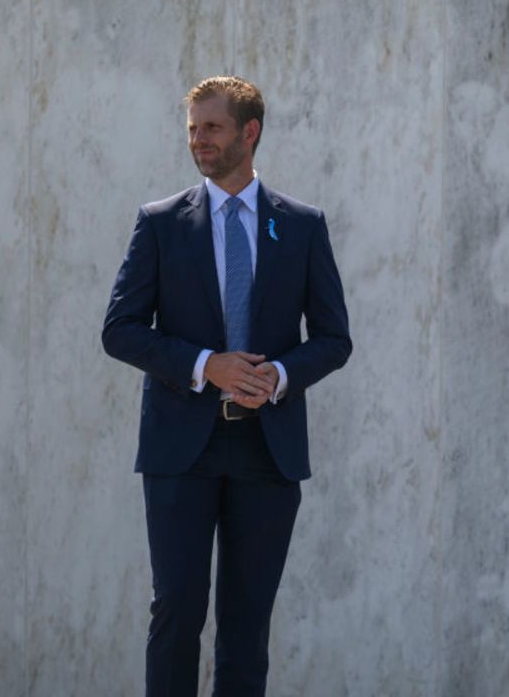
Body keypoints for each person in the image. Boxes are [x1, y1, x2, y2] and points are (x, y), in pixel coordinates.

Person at [103, 76, 351, 696]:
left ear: (250, 132)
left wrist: (282, 375)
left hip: (268, 453)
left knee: (246, 629)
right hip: (180, 453)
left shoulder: (301, 225)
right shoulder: (160, 223)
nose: (198, 140)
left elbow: (333, 337)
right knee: (177, 614)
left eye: (211, 128)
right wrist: (204, 364)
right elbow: (120, 330)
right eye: (192, 129)